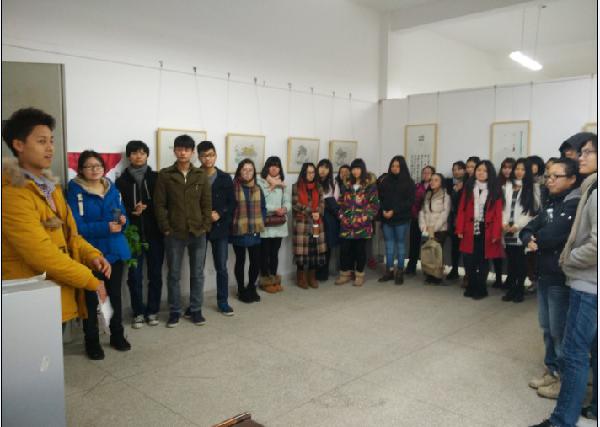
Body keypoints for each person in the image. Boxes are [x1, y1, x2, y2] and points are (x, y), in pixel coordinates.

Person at [2, 108, 109, 359]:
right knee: (31, 364)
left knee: (46, 361)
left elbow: (70, 236)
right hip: (29, 296)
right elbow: (41, 254)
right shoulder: (12, 193)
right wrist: (91, 280)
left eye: (51, 140)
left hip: (52, 292)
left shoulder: (50, 187)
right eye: (41, 141)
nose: (50, 148)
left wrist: (92, 254)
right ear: (18, 145)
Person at [530, 139, 597, 427]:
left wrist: (567, 259)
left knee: (574, 352)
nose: (581, 157)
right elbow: (534, 227)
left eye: (588, 152)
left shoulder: (592, 193)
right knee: (586, 347)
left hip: (588, 282)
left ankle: (561, 421)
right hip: (583, 279)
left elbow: (595, 245)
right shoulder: (589, 189)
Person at [520, 158, 581, 400]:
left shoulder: (574, 203)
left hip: (559, 276)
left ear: (572, 179)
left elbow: (554, 234)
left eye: (557, 176)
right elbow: (529, 227)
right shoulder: (551, 202)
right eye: (548, 176)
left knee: (559, 330)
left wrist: (537, 238)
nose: (550, 180)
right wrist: (528, 237)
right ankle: (552, 369)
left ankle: (563, 379)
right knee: (546, 328)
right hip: (544, 273)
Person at [67, 150, 132, 357]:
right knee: (91, 299)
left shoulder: (112, 188)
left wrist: (123, 222)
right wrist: (105, 227)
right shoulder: (74, 191)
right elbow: (75, 226)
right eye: (89, 166)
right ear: (81, 169)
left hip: (114, 250)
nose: (95, 170)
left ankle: (117, 334)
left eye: (98, 166)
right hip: (90, 254)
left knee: (115, 296)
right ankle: (92, 340)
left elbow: (123, 215)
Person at [154, 135, 212, 328]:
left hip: (198, 232)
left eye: (186, 149)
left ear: (192, 152)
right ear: (174, 151)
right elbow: (159, 204)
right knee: (174, 274)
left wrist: (205, 226)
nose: (183, 153)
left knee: (197, 274)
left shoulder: (200, 175)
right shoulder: (165, 175)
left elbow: (206, 203)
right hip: (174, 233)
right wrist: (166, 228)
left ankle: (196, 309)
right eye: (179, 149)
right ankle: (174, 311)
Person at [116, 140, 164, 328]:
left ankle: (152, 311)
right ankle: (138, 312)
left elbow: (163, 203)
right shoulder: (121, 181)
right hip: (132, 235)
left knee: (155, 274)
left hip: (155, 234)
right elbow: (117, 208)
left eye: (142, 153)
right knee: (134, 277)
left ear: (147, 155)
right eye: (135, 153)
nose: (138, 156)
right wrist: (131, 211)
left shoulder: (156, 178)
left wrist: (148, 207)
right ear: (129, 156)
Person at [455, 160, 504, 300]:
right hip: (469, 228)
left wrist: (496, 233)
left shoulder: (495, 189)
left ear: (490, 173)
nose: (481, 173)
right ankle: (471, 286)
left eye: (485, 170)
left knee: (483, 260)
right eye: (479, 170)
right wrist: (459, 228)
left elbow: (498, 214)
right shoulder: (469, 186)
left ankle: (481, 288)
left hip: (486, 230)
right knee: (468, 260)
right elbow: (462, 209)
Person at [197, 141, 236, 315]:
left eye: (211, 155)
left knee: (221, 267)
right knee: (197, 269)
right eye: (204, 155)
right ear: (199, 157)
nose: (208, 159)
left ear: (216, 156)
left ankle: (223, 301)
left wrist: (220, 213)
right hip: (199, 228)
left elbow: (232, 202)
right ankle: (195, 304)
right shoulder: (194, 175)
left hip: (220, 228)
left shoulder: (225, 177)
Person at [335, 159, 380, 287]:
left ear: (363, 169)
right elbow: (340, 203)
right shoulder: (346, 185)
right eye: (353, 169)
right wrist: (341, 216)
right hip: (346, 225)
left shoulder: (370, 186)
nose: (355, 171)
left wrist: (365, 217)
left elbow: (375, 206)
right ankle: (344, 274)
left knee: (360, 251)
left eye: (358, 168)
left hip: (362, 225)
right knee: (345, 250)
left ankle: (359, 275)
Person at [501, 158, 540, 303]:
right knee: (511, 261)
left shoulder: (532, 187)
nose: (519, 171)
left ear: (528, 171)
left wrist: (518, 225)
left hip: (522, 230)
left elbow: (532, 212)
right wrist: (504, 223)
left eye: (523, 169)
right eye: (517, 168)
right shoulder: (507, 185)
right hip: (507, 229)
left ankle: (519, 290)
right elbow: (502, 208)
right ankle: (511, 289)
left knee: (521, 261)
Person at [230, 159, 266, 303]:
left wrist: (260, 220)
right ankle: (241, 289)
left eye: (250, 170)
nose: (247, 172)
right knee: (240, 260)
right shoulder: (233, 187)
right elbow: (229, 208)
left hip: (254, 230)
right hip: (238, 229)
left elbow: (263, 208)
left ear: (254, 172)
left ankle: (252, 287)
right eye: (244, 169)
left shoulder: (258, 188)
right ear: (239, 171)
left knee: (255, 261)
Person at [377, 155, 415, 284]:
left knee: (400, 245)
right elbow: (380, 198)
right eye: (392, 166)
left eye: (397, 166)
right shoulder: (385, 181)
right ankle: (389, 271)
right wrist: (383, 210)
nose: (394, 168)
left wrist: (394, 211)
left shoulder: (409, 182)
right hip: (386, 218)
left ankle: (400, 272)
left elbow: (410, 202)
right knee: (388, 246)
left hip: (401, 219)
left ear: (402, 167)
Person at [257, 156, 290, 293]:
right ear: (267, 167)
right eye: (271, 165)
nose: (274, 168)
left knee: (274, 254)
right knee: (264, 254)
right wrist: (274, 209)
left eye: (277, 166)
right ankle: (265, 281)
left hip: (279, 225)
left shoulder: (282, 184)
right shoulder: (260, 182)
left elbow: (287, 201)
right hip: (265, 224)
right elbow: (259, 202)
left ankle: (274, 279)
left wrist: (285, 209)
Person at [292, 163, 327, 288]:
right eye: (308, 172)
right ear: (303, 173)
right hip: (302, 223)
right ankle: (300, 277)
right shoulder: (296, 186)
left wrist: (319, 211)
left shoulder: (319, 187)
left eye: (313, 172)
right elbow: (295, 204)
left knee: (314, 250)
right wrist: (312, 211)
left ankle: (312, 276)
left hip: (317, 223)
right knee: (301, 252)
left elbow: (322, 202)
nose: (311, 175)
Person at [418, 173, 450, 284]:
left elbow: (445, 214)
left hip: (439, 229)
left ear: (441, 183)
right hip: (427, 228)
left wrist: (434, 228)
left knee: (437, 253)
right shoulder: (427, 195)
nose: (432, 182)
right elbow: (422, 212)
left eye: (436, 180)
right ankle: (429, 274)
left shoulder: (445, 196)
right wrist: (423, 226)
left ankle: (437, 276)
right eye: (431, 180)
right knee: (428, 252)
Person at [492, 157, 517, 288]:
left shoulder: (517, 184)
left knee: (511, 254)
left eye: (510, 168)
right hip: (497, 220)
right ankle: (497, 278)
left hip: (511, 223)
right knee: (497, 252)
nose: (507, 170)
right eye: (504, 167)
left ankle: (510, 279)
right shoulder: (497, 183)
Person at [405, 165, 435, 275]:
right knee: (414, 243)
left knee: (430, 245)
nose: (426, 174)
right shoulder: (417, 186)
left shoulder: (436, 186)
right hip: (416, 218)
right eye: (424, 172)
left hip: (431, 221)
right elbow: (411, 201)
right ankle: (411, 266)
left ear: (433, 174)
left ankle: (429, 270)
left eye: (428, 173)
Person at [316, 159, 340, 281]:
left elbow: (336, 201)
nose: (323, 170)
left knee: (327, 245)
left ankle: (323, 273)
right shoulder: (314, 182)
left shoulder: (333, 183)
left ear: (329, 170)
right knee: (316, 244)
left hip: (329, 218)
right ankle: (315, 272)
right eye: (321, 167)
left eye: (326, 167)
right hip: (316, 216)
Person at [446, 161, 466, 280]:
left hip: (464, 220)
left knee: (466, 248)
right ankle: (454, 270)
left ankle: (468, 274)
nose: (456, 171)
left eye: (459, 169)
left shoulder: (468, 183)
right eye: (454, 169)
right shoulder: (449, 183)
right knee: (454, 246)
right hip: (453, 219)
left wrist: (459, 191)